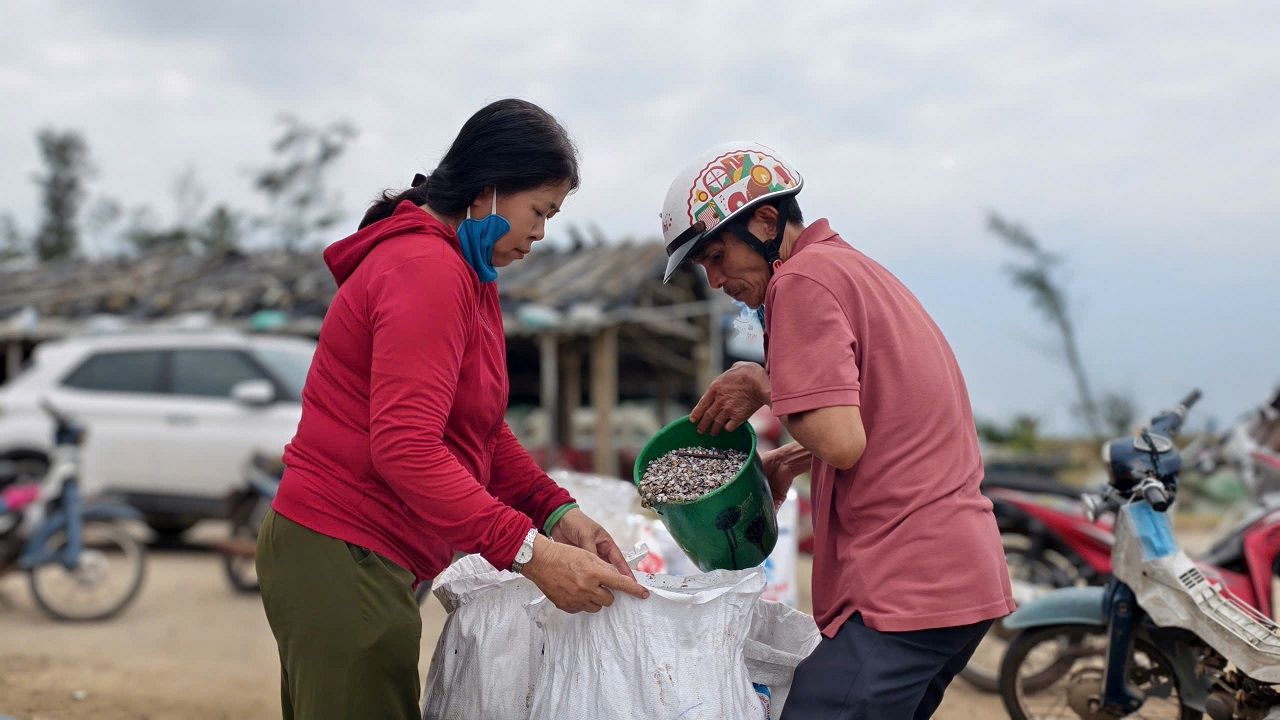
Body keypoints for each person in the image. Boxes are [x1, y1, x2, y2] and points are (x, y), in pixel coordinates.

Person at [257, 98, 648, 720]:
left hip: (365, 552)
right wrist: (529, 551)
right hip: (345, 543)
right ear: (490, 189)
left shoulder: (468, 272)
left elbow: (482, 435)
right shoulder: (426, 269)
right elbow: (406, 448)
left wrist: (556, 513)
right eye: (540, 211)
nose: (542, 233)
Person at [659, 142, 1015, 719]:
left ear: (767, 222)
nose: (717, 279)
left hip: (905, 584)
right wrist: (792, 460)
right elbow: (880, 419)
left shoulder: (799, 283)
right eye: (704, 267)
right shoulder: (851, 269)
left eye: (719, 256)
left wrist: (760, 381)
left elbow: (844, 444)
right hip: (958, 577)